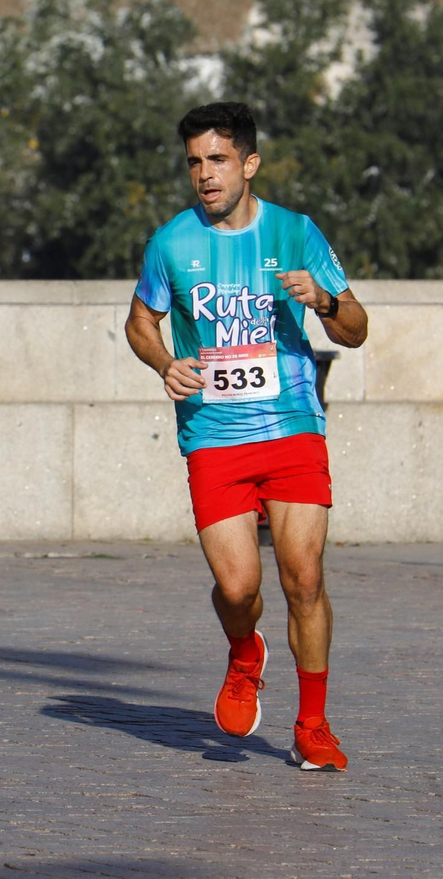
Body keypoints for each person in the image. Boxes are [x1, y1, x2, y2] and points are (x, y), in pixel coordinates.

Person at [125, 101, 369, 773]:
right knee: (238, 589)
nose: (205, 174)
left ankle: (312, 725)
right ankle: (244, 652)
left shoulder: (295, 234)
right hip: (213, 436)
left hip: (291, 428)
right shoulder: (171, 243)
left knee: (305, 581)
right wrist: (163, 361)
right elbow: (140, 323)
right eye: (195, 163)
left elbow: (356, 327)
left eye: (218, 160)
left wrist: (323, 300)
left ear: (250, 164)